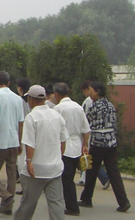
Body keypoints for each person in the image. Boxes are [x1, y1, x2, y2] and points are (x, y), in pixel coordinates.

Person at [14, 85, 68, 220]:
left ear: (31, 100)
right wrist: (59, 157)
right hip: (54, 168)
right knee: (56, 204)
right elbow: (63, 141)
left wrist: (29, 161)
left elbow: (29, 143)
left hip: (36, 169)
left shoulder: (31, 117)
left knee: (28, 204)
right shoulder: (56, 115)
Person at [79, 82, 131, 213]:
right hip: (111, 142)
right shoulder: (110, 105)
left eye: (91, 90)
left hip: (98, 142)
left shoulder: (94, 106)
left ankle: (86, 198)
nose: (89, 93)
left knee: (91, 170)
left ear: (97, 91)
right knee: (114, 172)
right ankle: (123, 201)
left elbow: (86, 123)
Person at [0, 71, 24, 216]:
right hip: (13, 140)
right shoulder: (17, 99)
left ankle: (6, 196)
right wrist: (20, 141)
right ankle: (8, 206)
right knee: (11, 173)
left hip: (0, 141)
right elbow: (21, 122)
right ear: (8, 82)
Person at [52, 82, 90, 216]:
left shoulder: (58, 108)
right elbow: (86, 130)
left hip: (64, 146)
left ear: (56, 94)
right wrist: (84, 145)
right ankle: (66, 202)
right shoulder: (78, 107)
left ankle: (72, 207)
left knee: (66, 179)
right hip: (77, 145)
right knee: (69, 177)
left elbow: (55, 129)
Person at [78, 80, 110, 188]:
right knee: (90, 158)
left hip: (91, 134)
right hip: (98, 136)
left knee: (89, 158)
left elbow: (86, 118)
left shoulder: (89, 102)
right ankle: (85, 179)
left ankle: (103, 177)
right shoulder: (107, 104)